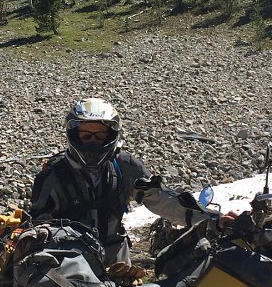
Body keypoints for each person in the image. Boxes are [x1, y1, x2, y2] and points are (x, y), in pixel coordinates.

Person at [29, 97, 217, 267]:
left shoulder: (125, 167)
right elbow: (39, 226)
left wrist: (213, 220)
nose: (93, 142)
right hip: (70, 266)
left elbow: (162, 199)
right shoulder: (52, 176)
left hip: (117, 264)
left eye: (100, 135)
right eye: (86, 135)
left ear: (112, 135)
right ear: (73, 134)